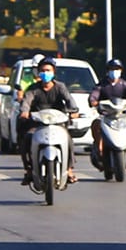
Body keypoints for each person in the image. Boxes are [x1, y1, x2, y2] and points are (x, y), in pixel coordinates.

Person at [17, 56, 77, 185]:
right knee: (27, 138)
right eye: (43, 70)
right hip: (37, 124)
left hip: (58, 123)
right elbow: (26, 102)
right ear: (39, 72)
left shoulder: (60, 87)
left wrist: (74, 111)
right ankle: (28, 170)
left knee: (68, 140)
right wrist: (25, 111)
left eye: (48, 70)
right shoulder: (33, 89)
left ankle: (69, 169)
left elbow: (69, 100)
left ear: (54, 72)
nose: (46, 73)